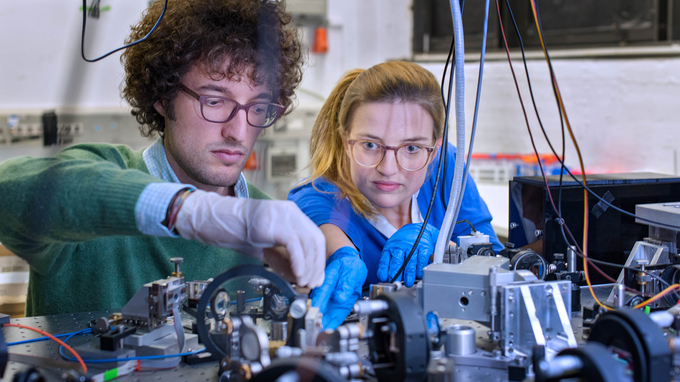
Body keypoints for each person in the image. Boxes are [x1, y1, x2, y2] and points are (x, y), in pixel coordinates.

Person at [0, 0, 326, 317]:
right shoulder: (100, 187)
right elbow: (8, 192)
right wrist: (186, 210)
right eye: (214, 101)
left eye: (257, 107)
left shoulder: (270, 229)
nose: (238, 132)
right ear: (162, 94)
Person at [288, 61, 503, 329]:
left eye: (411, 147)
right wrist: (341, 255)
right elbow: (322, 223)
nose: (388, 169)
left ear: (434, 151)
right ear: (345, 142)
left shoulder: (447, 168)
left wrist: (444, 249)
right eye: (370, 145)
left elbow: (497, 262)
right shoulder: (322, 195)